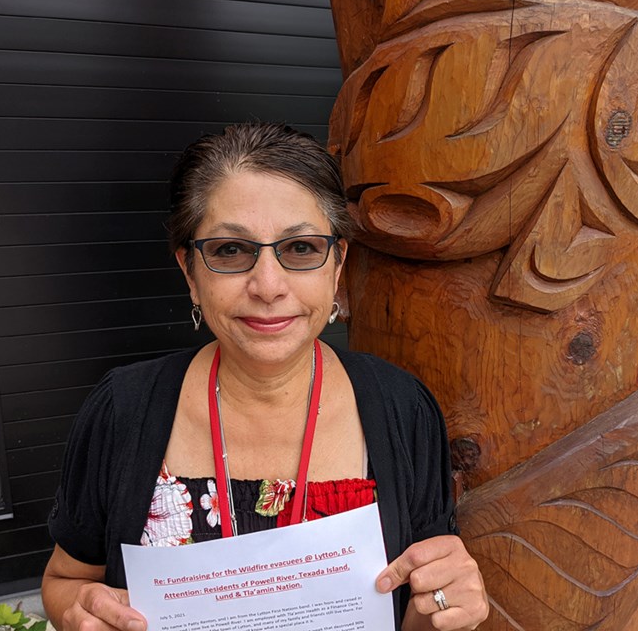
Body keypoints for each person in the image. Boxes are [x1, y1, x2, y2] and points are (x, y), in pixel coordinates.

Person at [41, 122, 489, 631]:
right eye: (230, 250)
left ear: (337, 264)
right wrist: (79, 614)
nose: (268, 286)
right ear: (190, 271)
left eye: (300, 249)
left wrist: (443, 608)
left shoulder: (402, 408)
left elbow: (422, 609)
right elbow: (65, 581)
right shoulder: (123, 410)